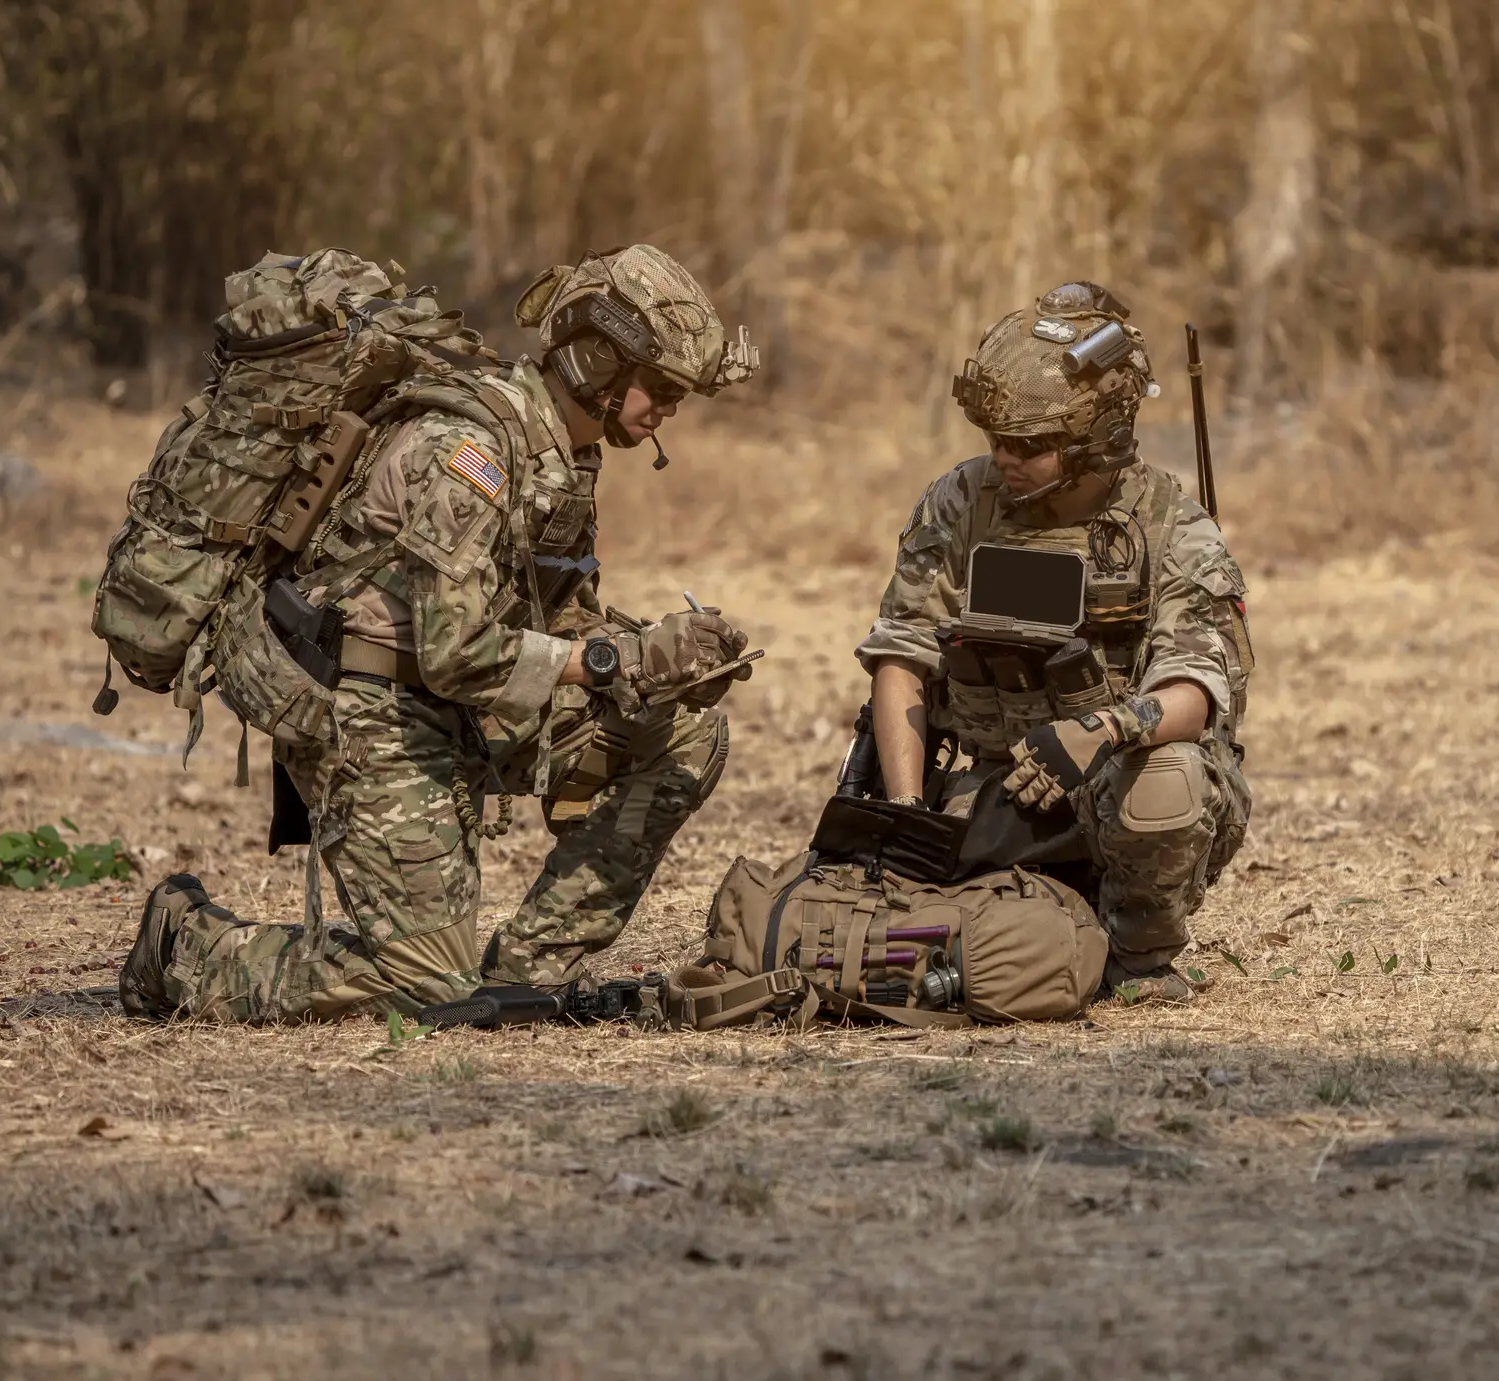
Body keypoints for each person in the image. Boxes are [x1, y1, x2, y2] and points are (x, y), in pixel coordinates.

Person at [120, 246, 759, 1022]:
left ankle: (532, 971)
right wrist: (612, 659)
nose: (666, 412)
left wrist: (660, 662)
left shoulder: (564, 454)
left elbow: (550, 618)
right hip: (366, 707)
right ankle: (185, 948)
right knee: (422, 988)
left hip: (449, 701)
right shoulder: (470, 453)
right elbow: (457, 651)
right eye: (658, 389)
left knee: (685, 732)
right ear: (599, 360)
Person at [856, 281, 1252, 1003]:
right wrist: (907, 816)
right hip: (988, 783)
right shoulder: (961, 501)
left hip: (1114, 788)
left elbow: (1195, 691)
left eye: (1029, 446)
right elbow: (900, 654)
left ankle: (1137, 960)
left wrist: (1098, 731)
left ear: (1095, 440)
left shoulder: (1172, 526)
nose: (1004, 458)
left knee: (1170, 779)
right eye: (995, 440)